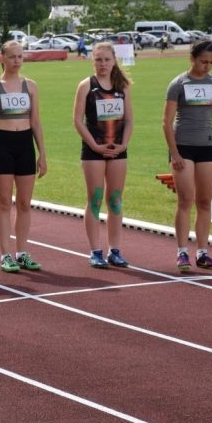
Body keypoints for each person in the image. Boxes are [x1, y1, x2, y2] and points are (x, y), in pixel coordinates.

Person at [162, 39, 212, 272]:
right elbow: (166, 122)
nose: (207, 66)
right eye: (203, 61)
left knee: (204, 201)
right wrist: (174, 153)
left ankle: (203, 252)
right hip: (183, 146)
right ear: (192, 58)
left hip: (206, 148)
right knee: (185, 200)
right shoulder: (178, 83)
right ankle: (182, 252)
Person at [0, 40, 48, 273]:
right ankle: (5, 255)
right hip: (2, 143)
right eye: (12, 57)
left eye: (20, 56)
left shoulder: (31, 86)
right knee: (4, 201)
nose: (17, 61)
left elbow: (37, 122)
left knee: (24, 203)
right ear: (2, 58)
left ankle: (22, 253)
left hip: (25, 143)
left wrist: (42, 154)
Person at [73, 42, 133, 269]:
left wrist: (123, 144)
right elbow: (78, 120)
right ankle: (95, 251)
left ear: (114, 60)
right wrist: (94, 145)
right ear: (93, 61)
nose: (103, 64)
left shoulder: (123, 86)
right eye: (98, 60)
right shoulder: (86, 85)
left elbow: (129, 120)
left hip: (118, 150)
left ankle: (115, 251)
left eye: (107, 60)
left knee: (115, 200)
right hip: (93, 151)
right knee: (95, 199)